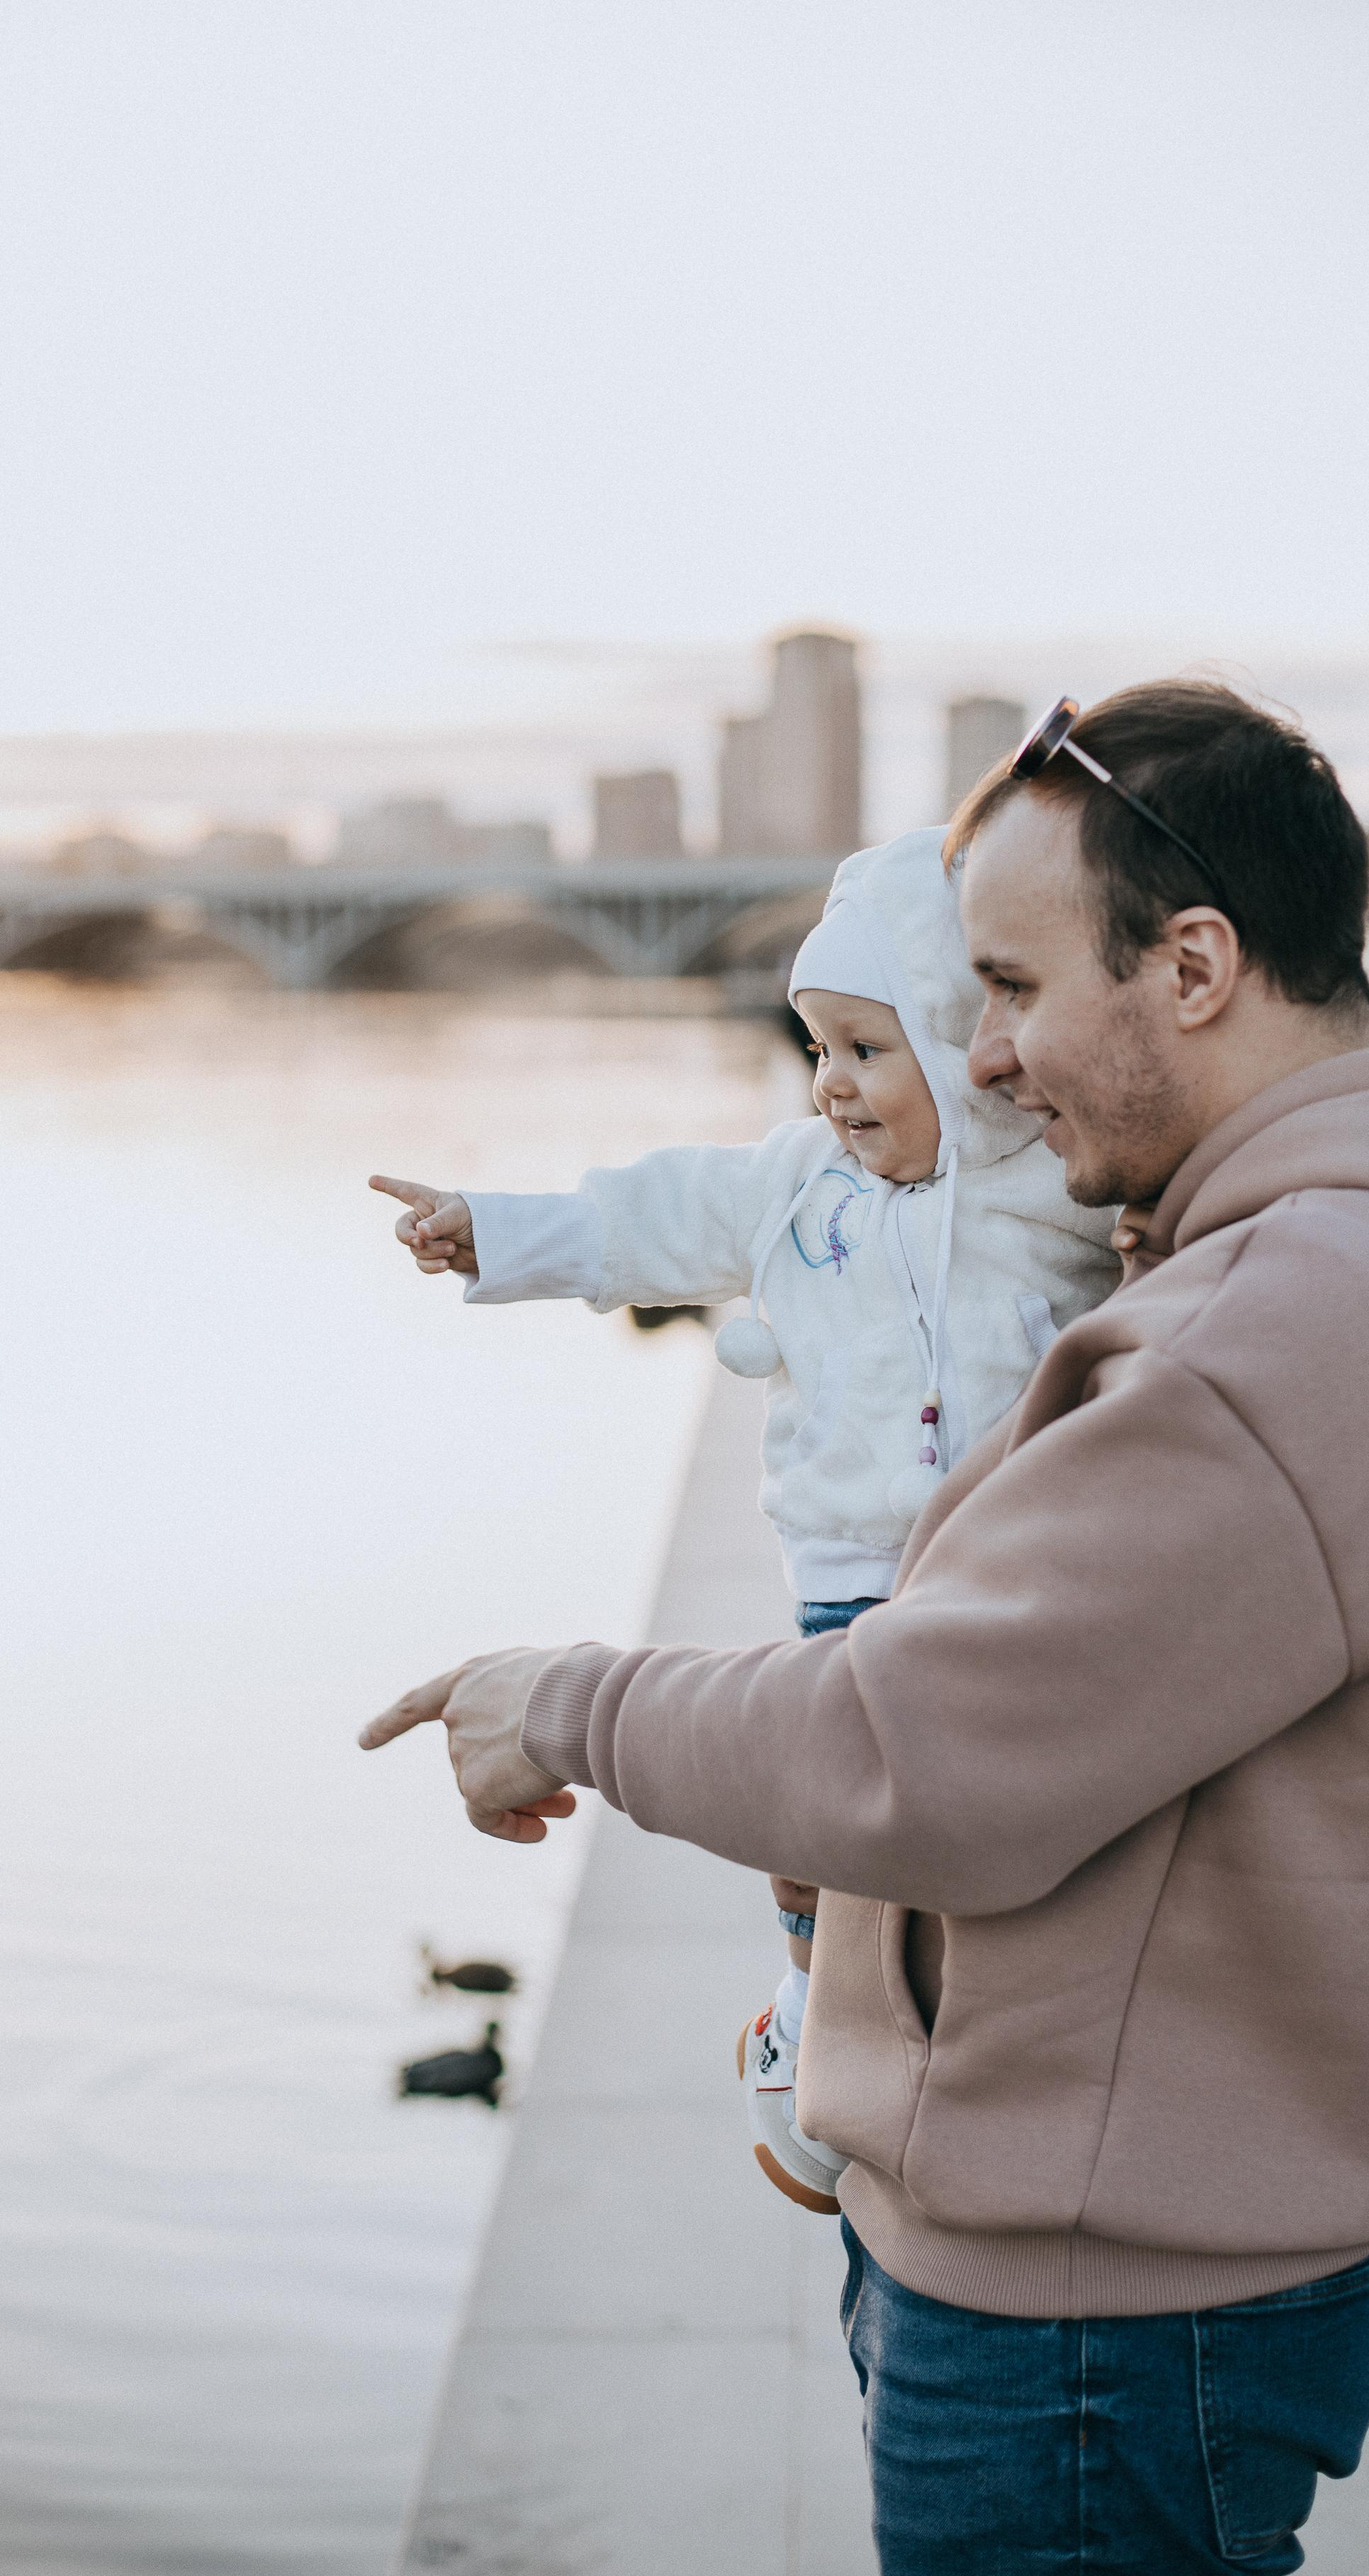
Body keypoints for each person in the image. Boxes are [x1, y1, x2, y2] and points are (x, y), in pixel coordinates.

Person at [363, 681, 1369, 2576]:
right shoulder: (1283, 1262)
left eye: (1005, 986)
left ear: (1191, 964)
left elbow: (922, 1753)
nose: (978, 1064)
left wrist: (560, 1696)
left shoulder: (1298, 1317)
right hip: (1122, 2248)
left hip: (1096, 2320)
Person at [368, 826, 1118, 2216]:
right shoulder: (796, 1186)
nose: (831, 1086)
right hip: (848, 1569)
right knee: (816, 1817)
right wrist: (494, 1228)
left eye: (867, 1050)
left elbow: (1162, 1238)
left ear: (964, 1044)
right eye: (816, 1049)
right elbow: (649, 1216)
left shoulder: (1040, 1187)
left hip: (1001, 1577)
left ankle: (918, 2028)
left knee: (963, 1842)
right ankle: (804, 2009)